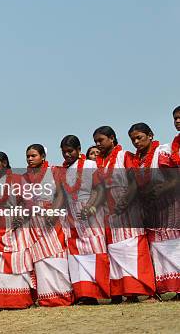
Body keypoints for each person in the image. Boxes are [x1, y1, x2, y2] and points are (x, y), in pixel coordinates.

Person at [93, 126, 155, 302]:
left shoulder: (125, 155)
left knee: (132, 249)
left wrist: (125, 202)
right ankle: (120, 292)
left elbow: (134, 182)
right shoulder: (99, 162)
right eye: (96, 141)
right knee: (116, 251)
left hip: (129, 208)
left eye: (101, 140)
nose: (98, 144)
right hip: (109, 213)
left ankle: (137, 291)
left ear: (112, 139)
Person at [56, 135, 110, 304]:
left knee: (96, 252)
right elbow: (61, 196)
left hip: (91, 213)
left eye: (70, 151)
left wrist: (92, 207)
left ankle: (100, 291)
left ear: (79, 150)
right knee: (77, 256)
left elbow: (101, 189)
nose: (67, 155)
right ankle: (85, 295)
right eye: (64, 152)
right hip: (72, 217)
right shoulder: (62, 171)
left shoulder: (90, 165)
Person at [127, 122, 179, 296]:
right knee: (157, 248)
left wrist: (161, 189)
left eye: (139, 137)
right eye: (133, 139)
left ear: (150, 135)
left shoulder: (162, 152)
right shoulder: (137, 160)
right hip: (150, 210)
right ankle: (168, 288)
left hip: (169, 205)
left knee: (174, 245)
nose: (136, 142)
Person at [24, 144, 74, 306]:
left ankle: (63, 296)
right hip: (34, 222)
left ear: (43, 157)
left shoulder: (54, 171)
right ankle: (46, 298)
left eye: (33, 156)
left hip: (53, 218)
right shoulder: (25, 177)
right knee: (40, 260)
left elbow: (60, 194)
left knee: (56, 256)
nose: (30, 159)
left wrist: (53, 213)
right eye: (28, 156)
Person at [0, 151, 35, 309]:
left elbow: (29, 202)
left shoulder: (18, 179)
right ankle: (1, 302)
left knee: (18, 262)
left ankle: (20, 301)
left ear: (5, 163)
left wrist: (21, 216)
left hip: (17, 226)